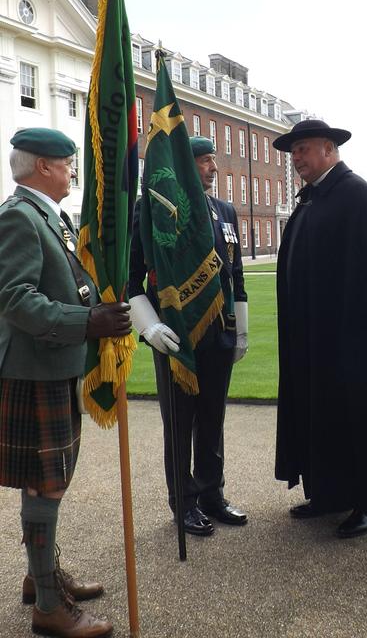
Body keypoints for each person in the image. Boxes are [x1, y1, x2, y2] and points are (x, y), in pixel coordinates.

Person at [0, 127, 132, 638]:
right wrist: (87, 322)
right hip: (34, 369)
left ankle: (41, 578)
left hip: (50, 365)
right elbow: (14, 298)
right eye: (68, 164)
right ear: (44, 168)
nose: (73, 171)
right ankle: (49, 609)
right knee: (46, 484)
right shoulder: (19, 216)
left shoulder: (44, 216)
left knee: (48, 480)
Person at [273, 119, 367, 537]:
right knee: (320, 414)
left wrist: (356, 341)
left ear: (330, 151)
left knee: (357, 419)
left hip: (348, 341)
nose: (296, 158)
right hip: (313, 338)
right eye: (293, 152)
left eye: (304, 150)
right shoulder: (311, 199)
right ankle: (329, 493)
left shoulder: (353, 195)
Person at [129, 136, 248, 536]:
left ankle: (213, 493)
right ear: (184, 164)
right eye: (205, 161)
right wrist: (149, 326)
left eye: (214, 160)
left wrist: (242, 330)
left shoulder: (225, 211)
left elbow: (236, 276)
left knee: (213, 419)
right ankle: (183, 502)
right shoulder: (153, 210)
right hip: (176, 336)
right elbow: (130, 282)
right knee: (180, 423)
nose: (214, 168)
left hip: (219, 334)